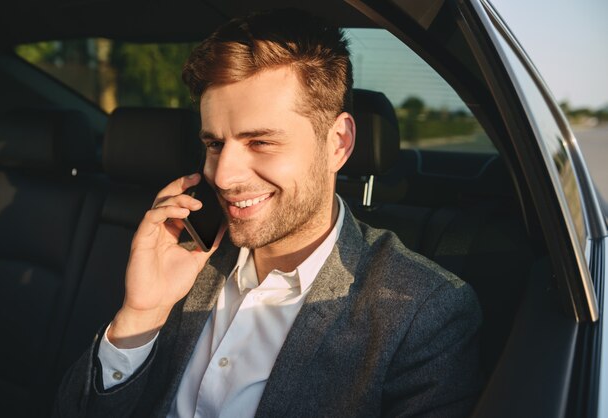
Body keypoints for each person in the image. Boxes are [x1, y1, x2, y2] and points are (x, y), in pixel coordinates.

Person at [54, 8, 481, 418]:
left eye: (260, 142)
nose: (223, 176)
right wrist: (142, 315)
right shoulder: (180, 258)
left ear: (337, 143)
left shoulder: (421, 311)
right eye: (214, 144)